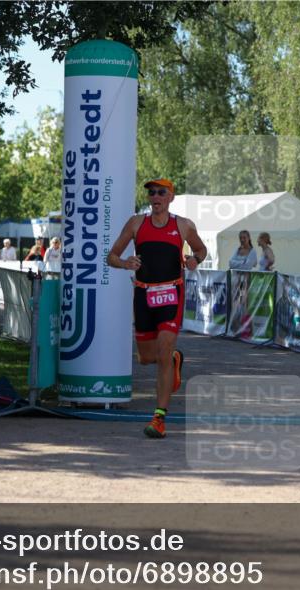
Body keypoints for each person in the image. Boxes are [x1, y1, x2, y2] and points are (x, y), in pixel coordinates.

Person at [107, 178, 207, 439]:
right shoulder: (136, 223)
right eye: (152, 192)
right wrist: (125, 263)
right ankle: (174, 360)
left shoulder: (183, 225)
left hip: (171, 293)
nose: (156, 196)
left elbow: (201, 249)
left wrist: (194, 259)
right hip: (143, 293)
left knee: (163, 349)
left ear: (171, 197)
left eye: (161, 192)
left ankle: (159, 418)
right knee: (147, 359)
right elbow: (111, 256)